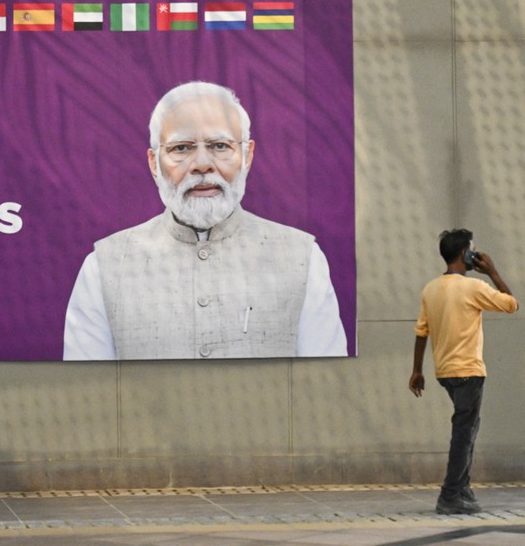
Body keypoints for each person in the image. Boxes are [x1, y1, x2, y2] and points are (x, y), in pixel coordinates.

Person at [64, 81, 346, 359]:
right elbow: (87, 385)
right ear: (154, 163)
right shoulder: (104, 266)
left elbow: (327, 379)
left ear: (247, 156)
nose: (202, 165)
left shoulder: (302, 258)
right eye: (181, 148)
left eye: (220, 146)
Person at [408, 229, 516, 515]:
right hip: (469, 369)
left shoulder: (431, 289)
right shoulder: (473, 287)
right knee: (464, 433)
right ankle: (451, 494)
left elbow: (421, 332)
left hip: (445, 372)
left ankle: (462, 487)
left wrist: (417, 371)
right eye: (473, 249)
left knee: (467, 428)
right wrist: (492, 272)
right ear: (465, 254)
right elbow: (511, 304)